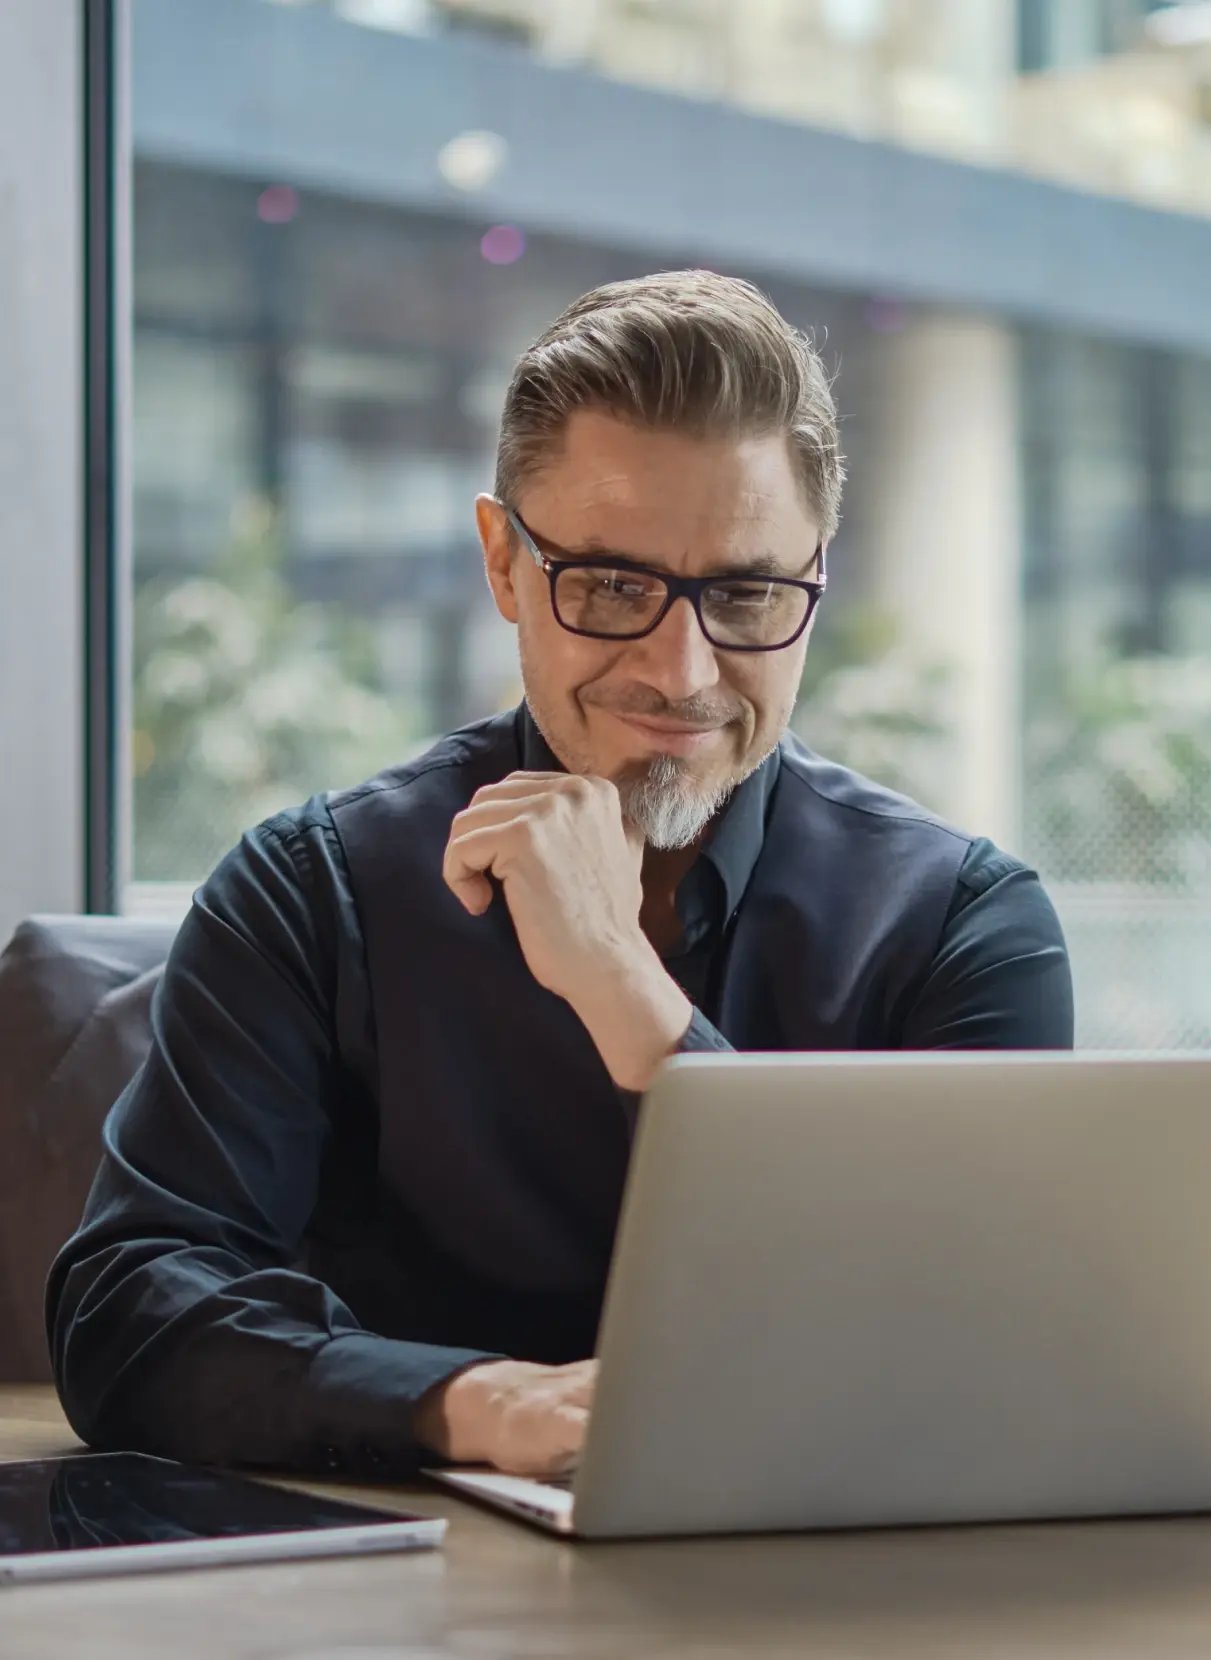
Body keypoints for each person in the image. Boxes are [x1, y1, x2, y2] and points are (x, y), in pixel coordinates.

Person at [47, 270, 1072, 1482]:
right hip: (410, 1592)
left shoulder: (967, 926)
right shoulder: (312, 890)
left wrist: (625, 991)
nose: (682, 669)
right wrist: (475, 1406)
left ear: (816, 581)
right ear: (503, 564)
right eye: (611, 586)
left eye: (746, 593)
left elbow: (974, 1351)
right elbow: (128, 1313)